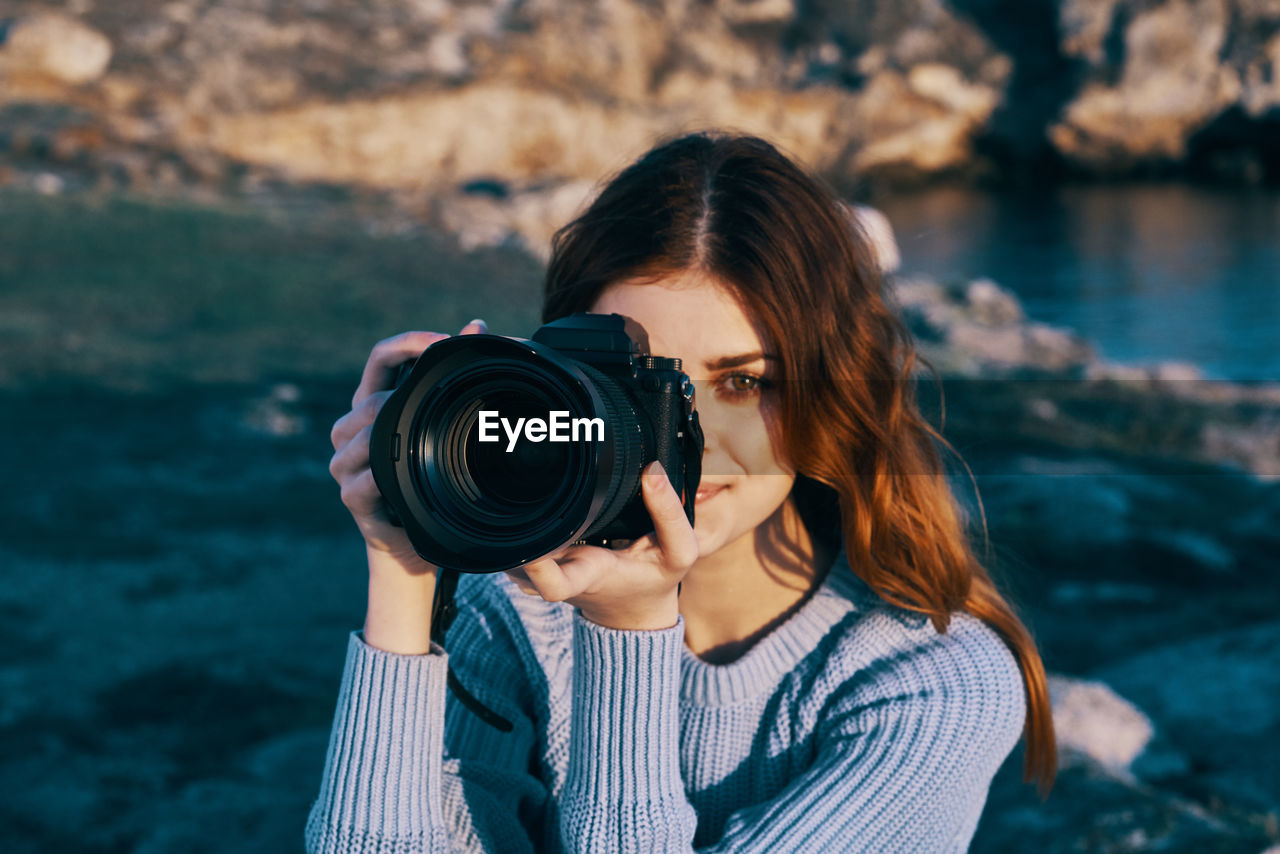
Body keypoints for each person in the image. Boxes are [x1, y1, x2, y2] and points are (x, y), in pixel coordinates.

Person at [309, 131, 1058, 853]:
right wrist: (403, 561)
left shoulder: (931, 679)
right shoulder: (514, 614)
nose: (687, 438)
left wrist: (629, 632)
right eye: (642, 387)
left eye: (741, 382)